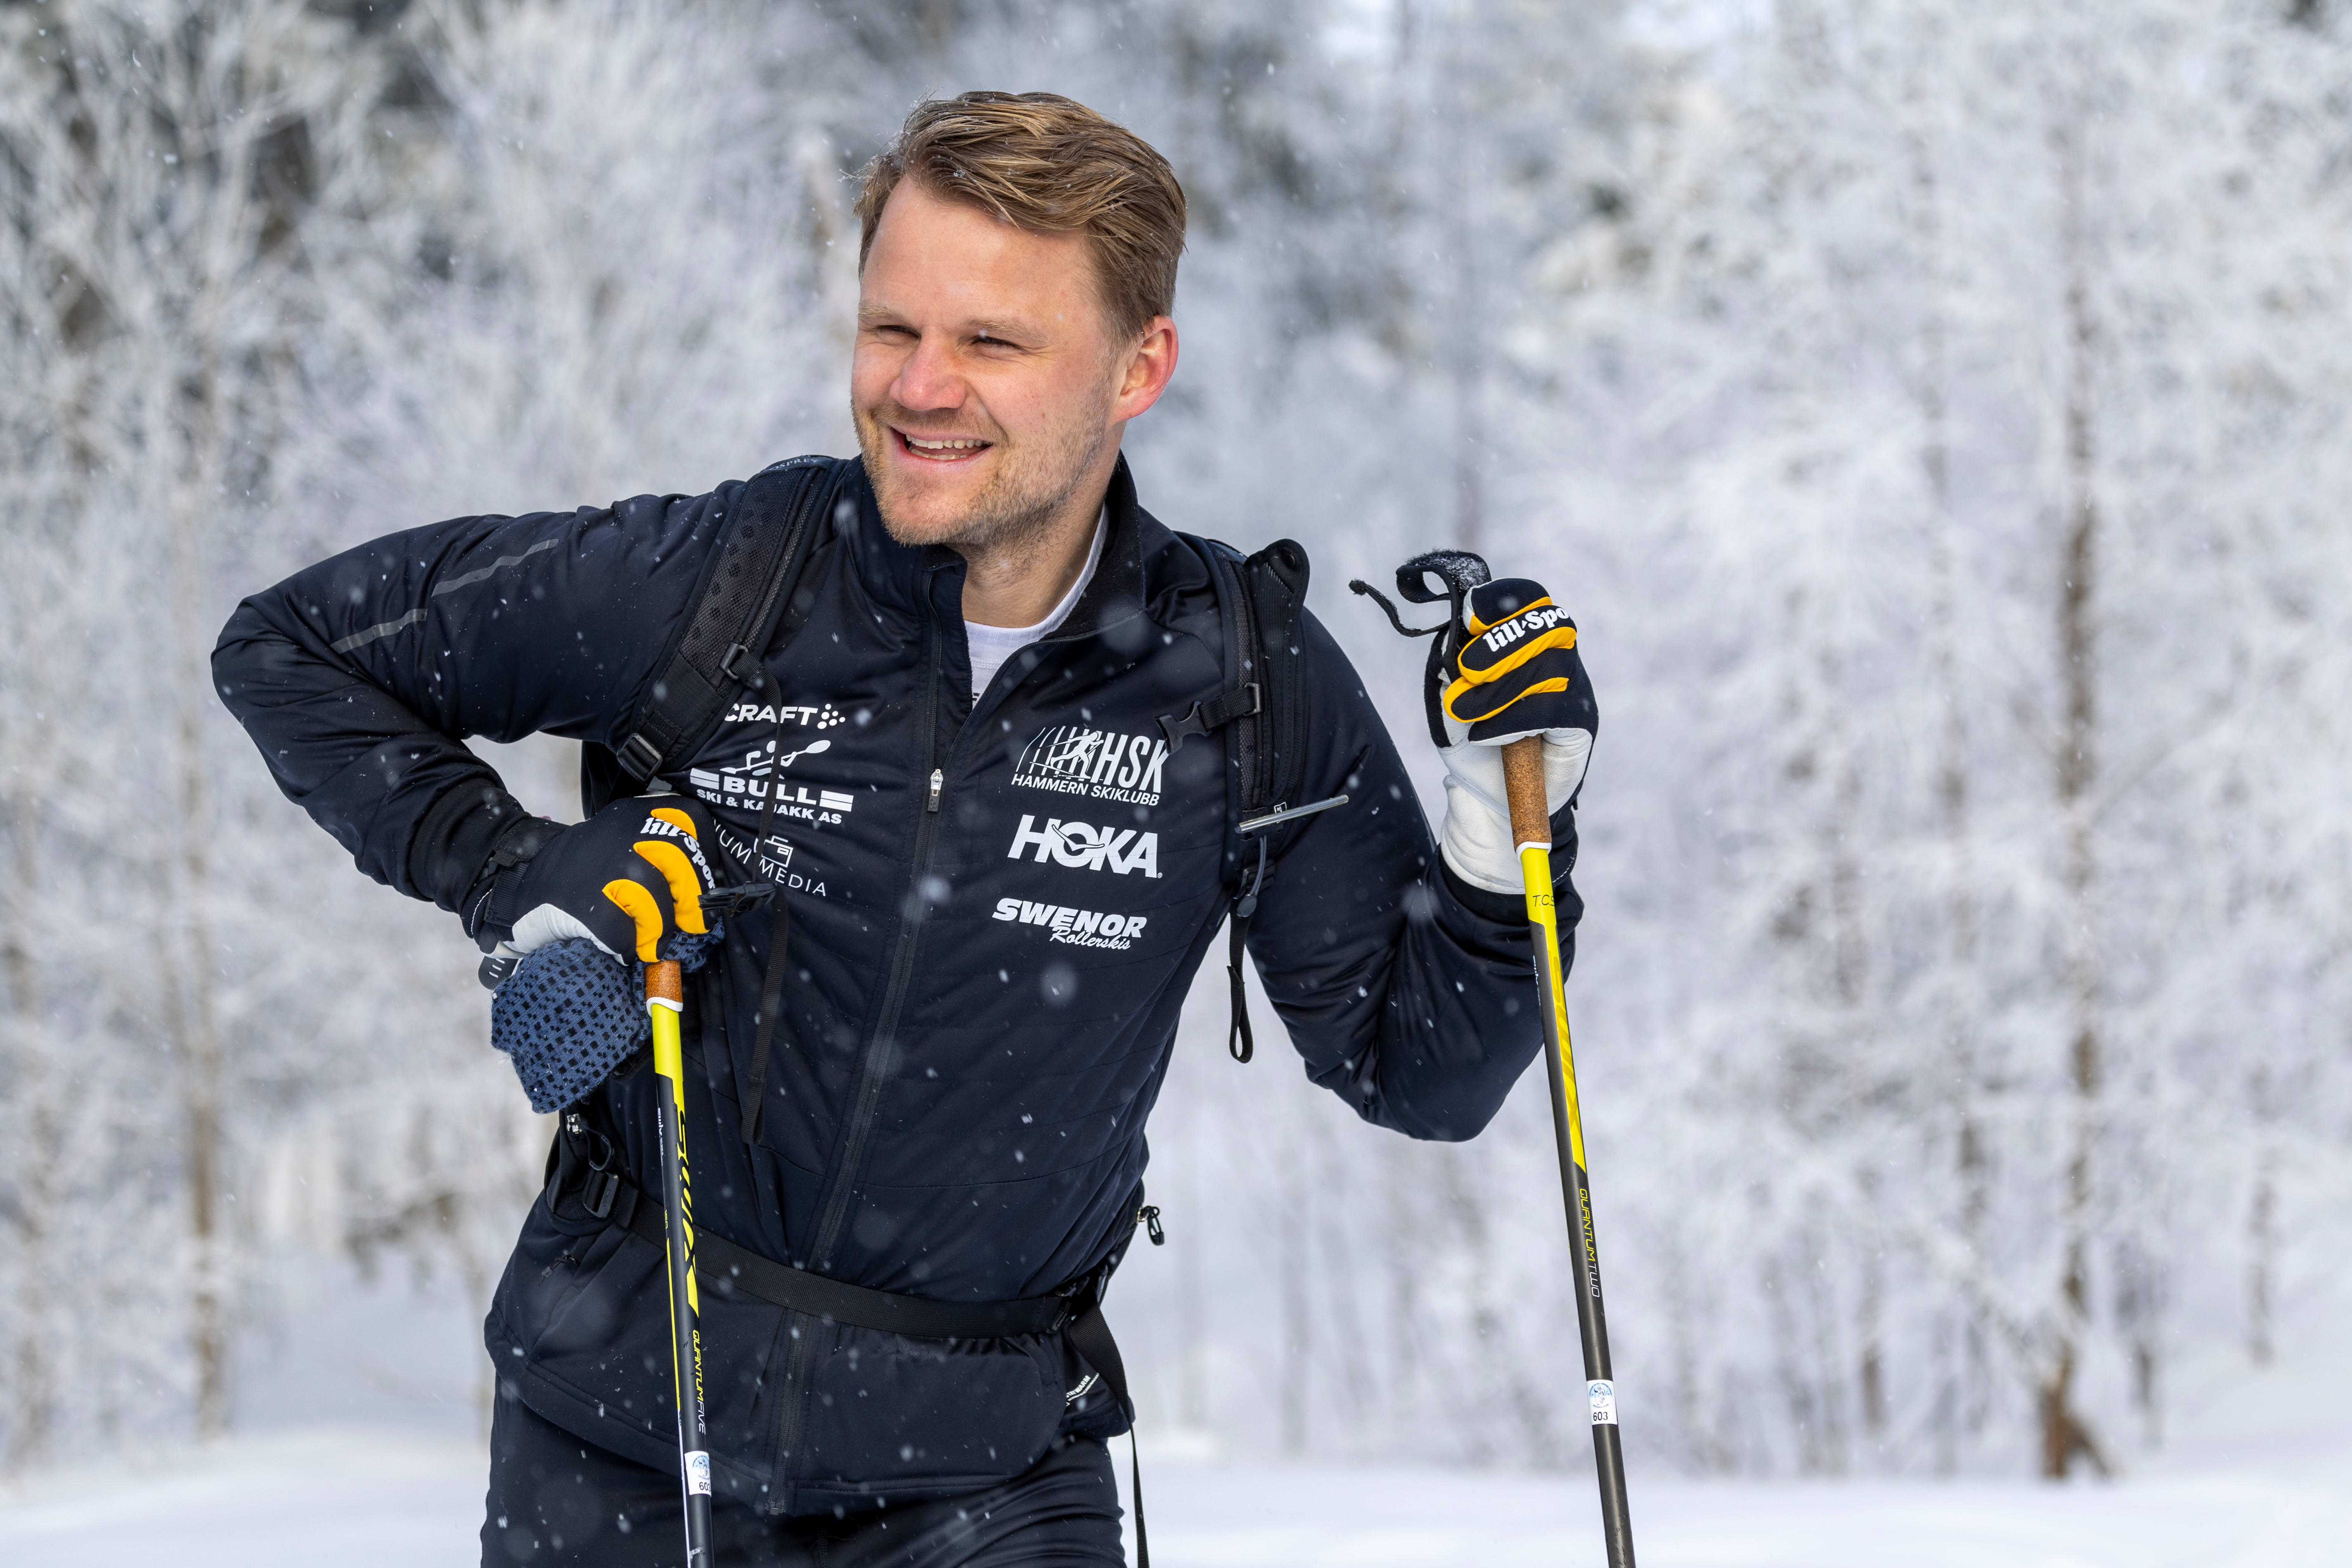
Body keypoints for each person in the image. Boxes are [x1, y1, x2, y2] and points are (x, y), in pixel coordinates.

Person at [214, 90, 1596, 1568]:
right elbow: (292, 648)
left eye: (993, 343)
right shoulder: (719, 584)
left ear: (1141, 367)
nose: (920, 388)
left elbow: (1425, 1068)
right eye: (893, 330)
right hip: (629, 1427)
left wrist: (1505, 829)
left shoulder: (1240, 681)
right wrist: (521, 869)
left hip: (992, 1473)